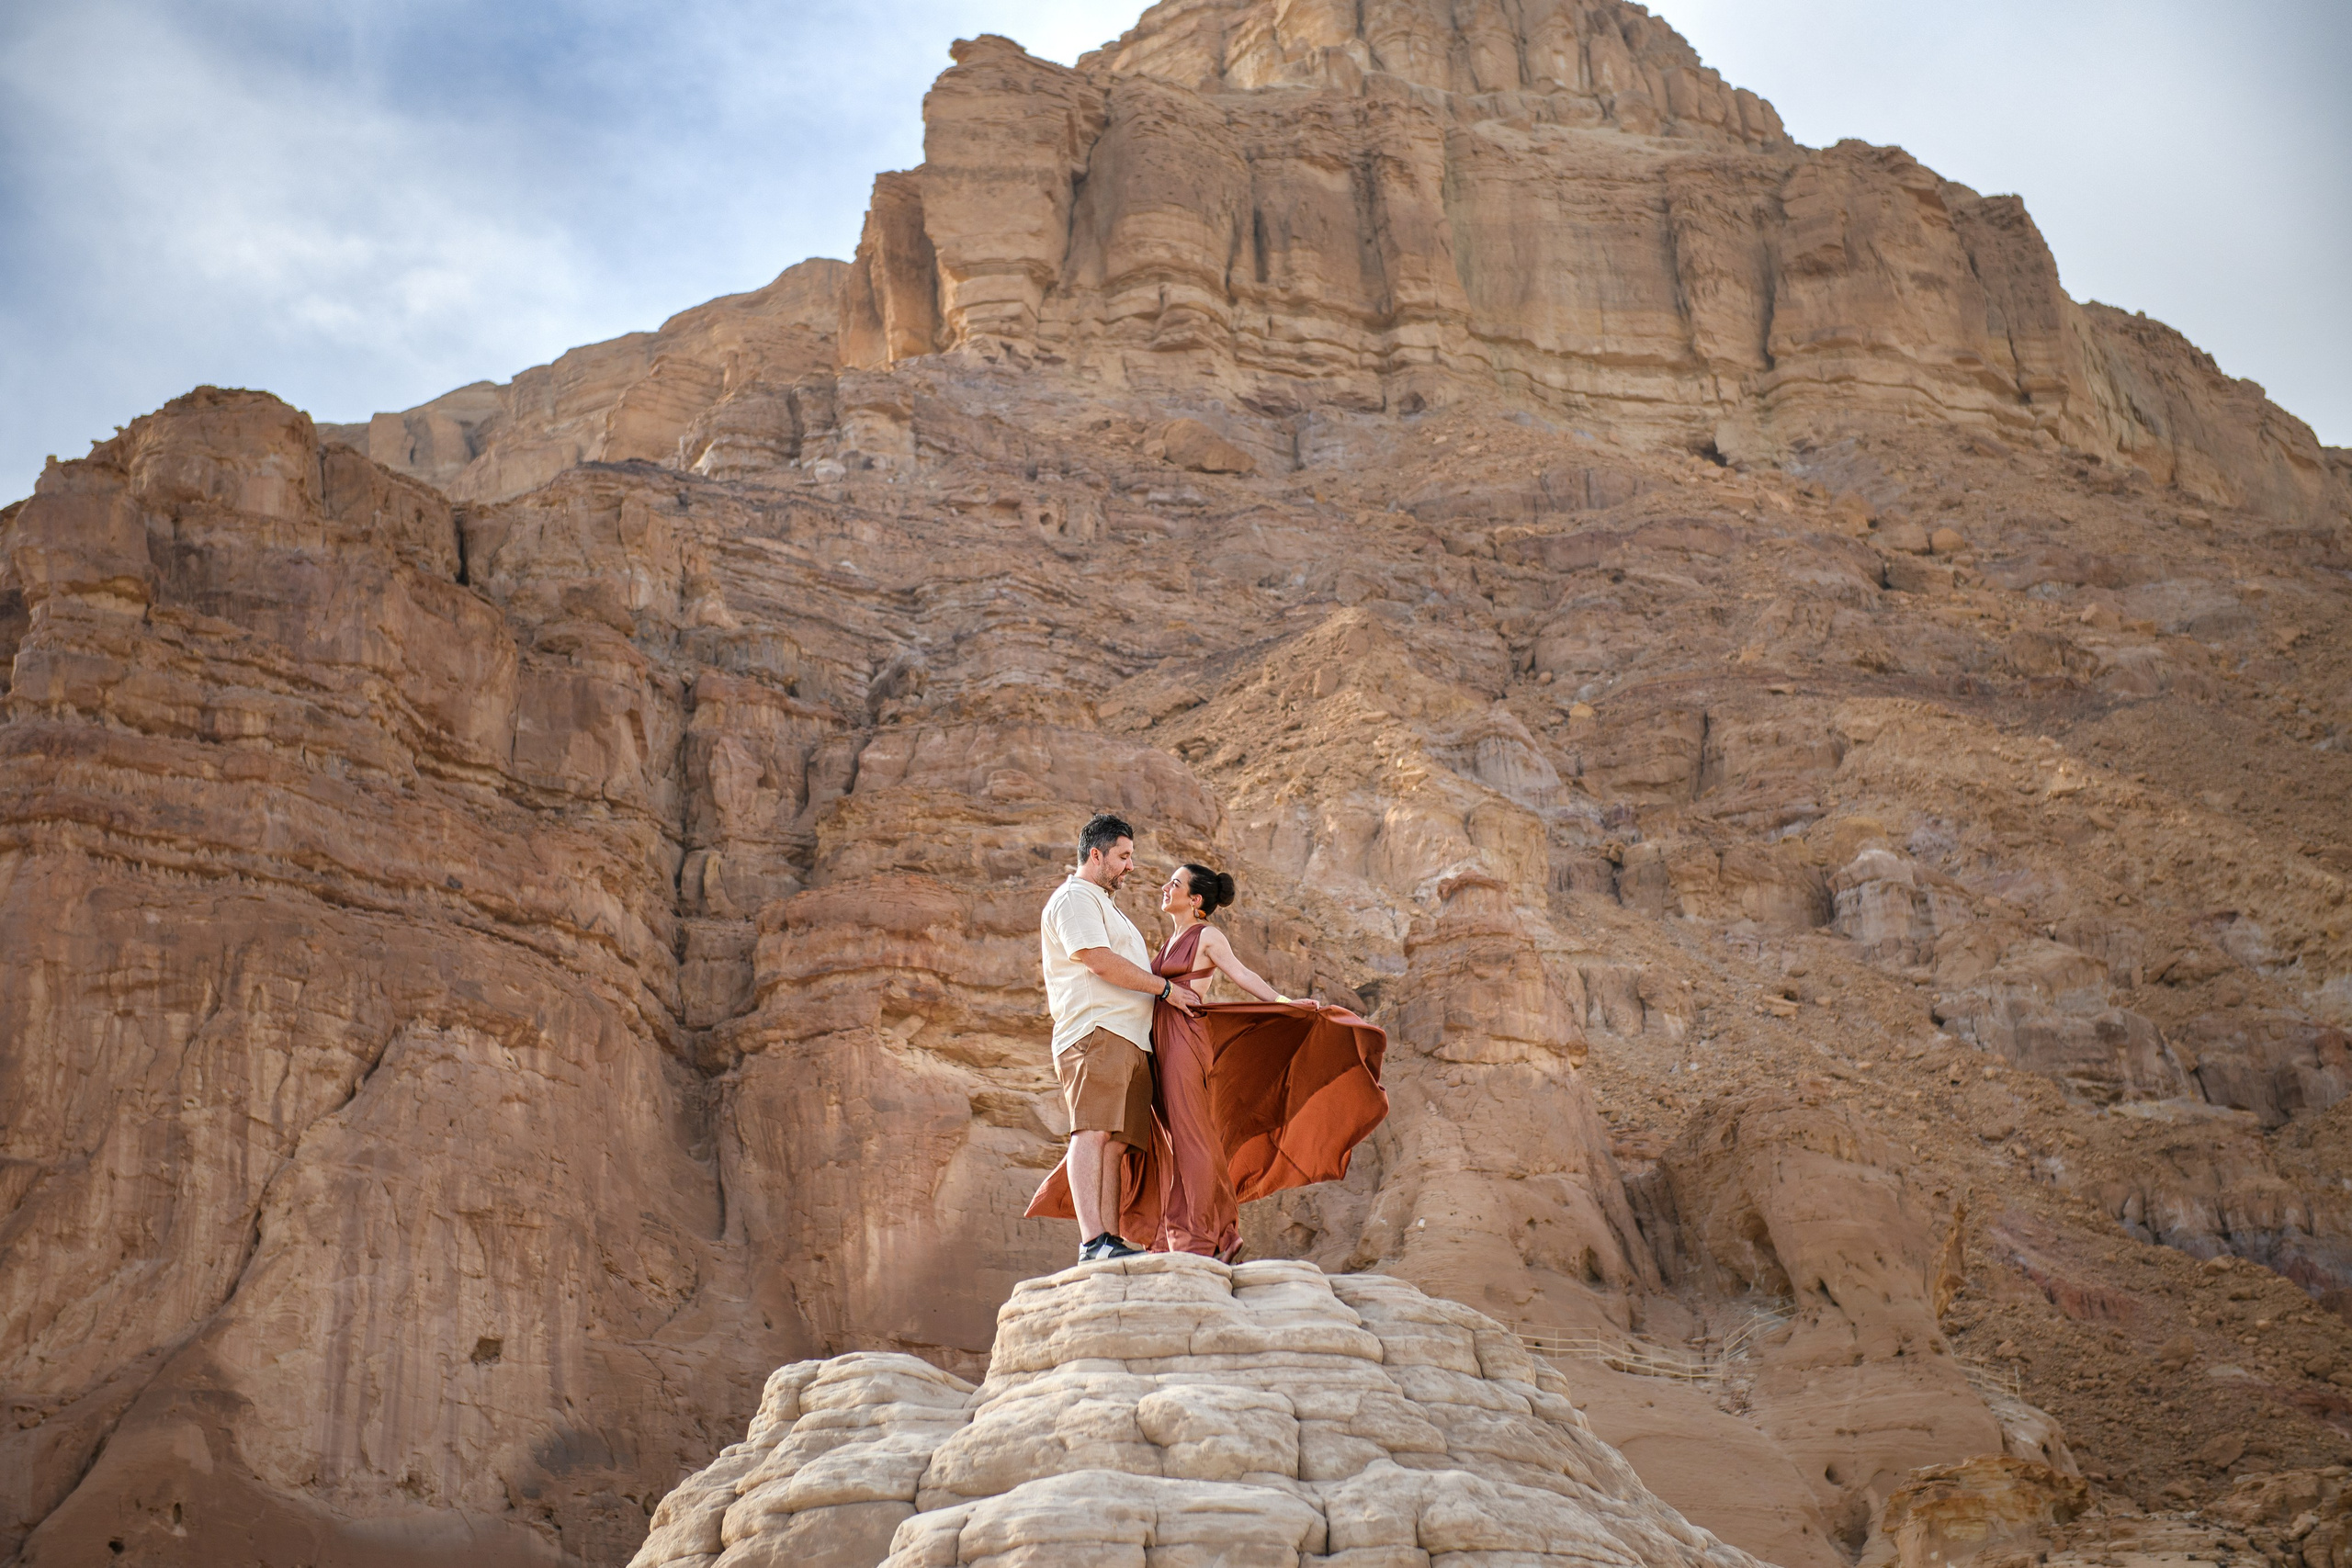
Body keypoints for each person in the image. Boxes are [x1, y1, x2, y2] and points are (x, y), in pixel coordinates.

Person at [1036, 811, 1197, 1263]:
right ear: (1096, 854)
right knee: (1091, 1132)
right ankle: (1092, 1242)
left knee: (1117, 1142)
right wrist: (1165, 988)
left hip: (1130, 1039)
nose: (1130, 866)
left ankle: (1110, 1237)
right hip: (1095, 1031)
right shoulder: (1074, 899)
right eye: (1124, 856)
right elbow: (1098, 961)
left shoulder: (1108, 907)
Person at [1151, 863, 1293, 1260]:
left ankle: (1208, 1237)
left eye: (1174, 883)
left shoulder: (1207, 935)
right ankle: (1178, 1235)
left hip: (1183, 1040)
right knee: (1172, 1138)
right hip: (1160, 1041)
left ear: (1195, 900)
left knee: (1191, 1135)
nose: (1165, 887)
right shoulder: (1172, 937)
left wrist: (1282, 1004)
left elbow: (1242, 974)